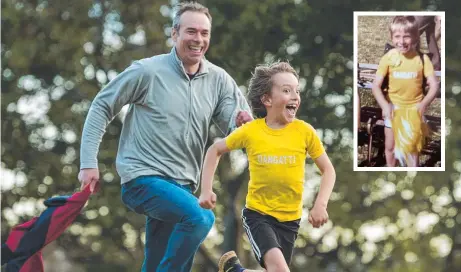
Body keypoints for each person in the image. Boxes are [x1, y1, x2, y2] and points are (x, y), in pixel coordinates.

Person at [78, 2, 253, 271]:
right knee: (201, 216)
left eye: (204, 33)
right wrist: (88, 162)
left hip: (181, 187)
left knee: (158, 262)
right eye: (191, 31)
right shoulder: (147, 71)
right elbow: (102, 105)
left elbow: (237, 128)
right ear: (174, 34)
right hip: (142, 179)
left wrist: (242, 126)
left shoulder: (219, 81)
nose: (198, 40)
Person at [199, 62, 336, 272]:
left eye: (296, 91)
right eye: (286, 90)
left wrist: (320, 204)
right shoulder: (252, 131)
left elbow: (328, 170)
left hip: (291, 220)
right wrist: (206, 190)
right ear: (267, 99)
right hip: (259, 215)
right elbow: (214, 150)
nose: (295, 96)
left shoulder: (305, 132)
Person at [372, 16, 439, 167]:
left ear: (415, 37)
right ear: (391, 37)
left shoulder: (422, 60)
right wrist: (384, 105)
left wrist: (423, 105)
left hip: (413, 111)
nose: (401, 41)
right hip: (393, 110)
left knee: (411, 150)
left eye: (406, 36)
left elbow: (434, 86)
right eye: (397, 37)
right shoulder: (388, 58)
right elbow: (376, 86)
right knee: (390, 147)